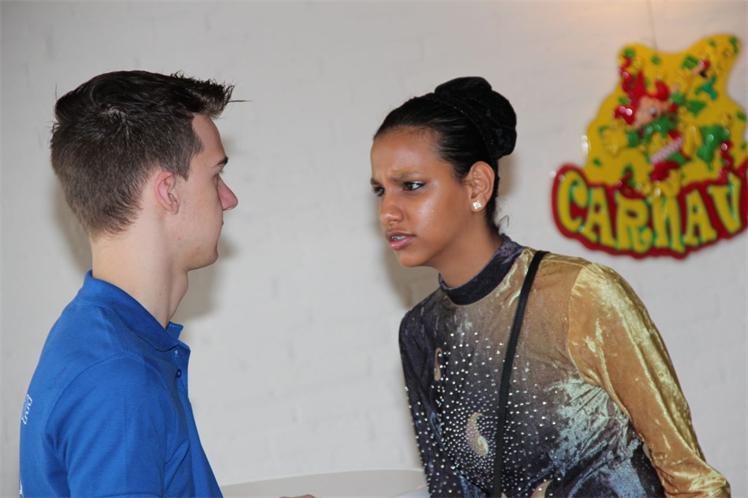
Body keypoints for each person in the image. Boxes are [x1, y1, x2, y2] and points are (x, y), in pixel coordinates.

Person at [369, 77, 730, 497]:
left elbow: (691, 479)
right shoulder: (420, 331)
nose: (388, 211)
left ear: (476, 186)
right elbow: (452, 491)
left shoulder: (578, 294)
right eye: (380, 191)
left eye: (411, 186)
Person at [19, 70, 237, 497]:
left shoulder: (94, 335)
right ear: (168, 191)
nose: (229, 199)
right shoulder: (118, 379)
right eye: (215, 176)